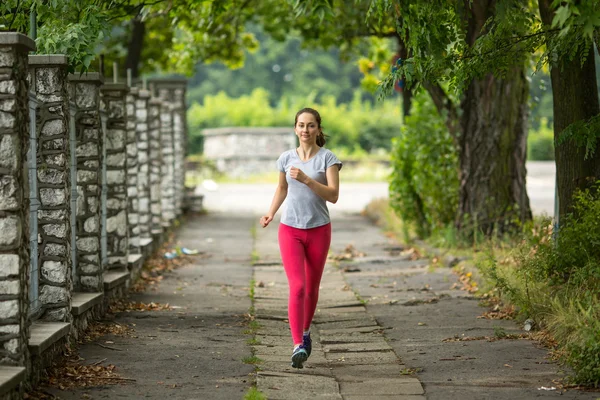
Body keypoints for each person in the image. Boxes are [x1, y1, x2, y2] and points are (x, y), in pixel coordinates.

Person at [260, 107, 343, 369]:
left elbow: (333, 195)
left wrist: (307, 179)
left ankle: (306, 332)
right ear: (295, 128)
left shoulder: (328, 159)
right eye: (301, 125)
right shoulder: (286, 159)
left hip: (319, 228)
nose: (305, 130)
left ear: (318, 129)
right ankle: (297, 344)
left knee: (312, 288)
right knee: (297, 286)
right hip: (290, 229)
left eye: (310, 125)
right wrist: (270, 213)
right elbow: (282, 188)